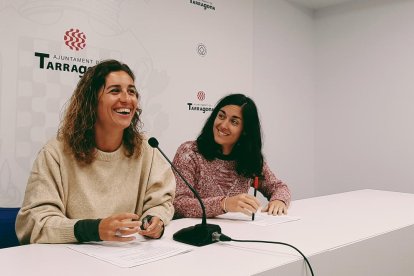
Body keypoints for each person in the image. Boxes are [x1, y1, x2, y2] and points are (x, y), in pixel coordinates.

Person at [15, 60, 175, 244]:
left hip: (127, 260)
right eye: (115, 90)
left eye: (131, 91)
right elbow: (34, 223)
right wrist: (93, 229)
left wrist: (155, 219)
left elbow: (161, 201)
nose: (127, 98)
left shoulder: (148, 149)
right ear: (91, 101)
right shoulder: (55, 153)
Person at [173, 93, 290, 219]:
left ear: (245, 130)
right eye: (221, 116)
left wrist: (279, 200)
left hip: (235, 233)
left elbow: (279, 187)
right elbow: (178, 204)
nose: (223, 125)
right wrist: (224, 204)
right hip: (195, 234)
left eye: (234, 122)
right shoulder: (190, 152)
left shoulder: (249, 159)